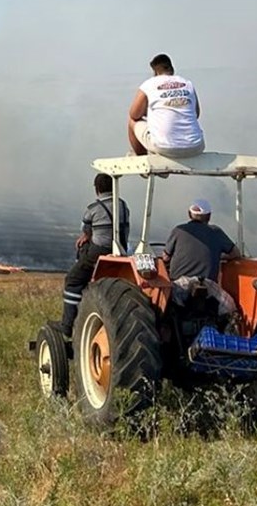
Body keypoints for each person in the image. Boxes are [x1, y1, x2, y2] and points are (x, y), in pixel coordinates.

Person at [59, 173, 130, 335]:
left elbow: (86, 232)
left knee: (73, 279)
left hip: (99, 252)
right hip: (121, 250)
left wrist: (85, 238)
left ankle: (68, 325)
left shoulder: (93, 208)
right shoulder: (123, 206)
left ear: (97, 189)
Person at [127, 53, 206, 158]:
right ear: (172, 69)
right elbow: (196, 113)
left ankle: (142, 159)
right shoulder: (187, 84)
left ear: (155, 72)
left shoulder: (149, 84)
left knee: (132, 121)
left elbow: (134, 114)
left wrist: (149, 112)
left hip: (164, 147)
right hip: (196, 146)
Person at [162, 198, 241, 281]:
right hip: (207, 285)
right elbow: (235, 253)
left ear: (189, 214)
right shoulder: (216, 232)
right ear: (209, 216)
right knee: (223, 295)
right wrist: (219, 256)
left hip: (179, 284)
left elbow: (165, 257)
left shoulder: (178, 230)